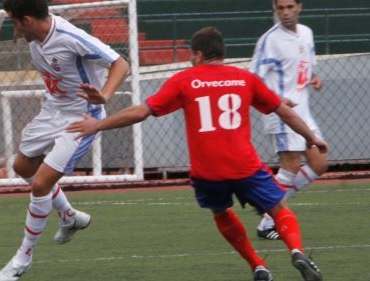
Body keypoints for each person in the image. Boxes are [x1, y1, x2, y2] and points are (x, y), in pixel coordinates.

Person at [68, 27, 325, 281]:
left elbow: (141, 112)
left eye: (192, 55)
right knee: (278, 208)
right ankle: (297, 251)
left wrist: (97, 124)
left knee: (221, 212)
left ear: (198, 55)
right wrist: (311, 138)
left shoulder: (185, 80)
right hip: (244, 166)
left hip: (207, 172)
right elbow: (286, 112)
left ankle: (257, 265)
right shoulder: (244, 78)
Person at [0, 0, 129, 280]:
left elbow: (120, 63)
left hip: (80, 118)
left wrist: (104, 95)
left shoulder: (70, 37)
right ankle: (68, 217)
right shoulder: (35, 39)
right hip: (52, 111)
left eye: (15, 22)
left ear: (28, 20)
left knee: (42, 183)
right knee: (22, 168)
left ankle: (22, 260)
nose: (14, 28)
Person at [250, 0, 328, 240]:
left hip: (303, 113)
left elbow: (305, 67)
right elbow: (254, 79)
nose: (285, 12)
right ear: (274, 9)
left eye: (290, 7)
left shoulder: (306, 33)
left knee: (319, 164)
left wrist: (313, 79)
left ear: (299, 7)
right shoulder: (270, 40)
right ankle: (268, 220)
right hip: (281, 114)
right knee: (291, 166)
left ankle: (269, 211)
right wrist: (277, 99)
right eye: (280, 8)